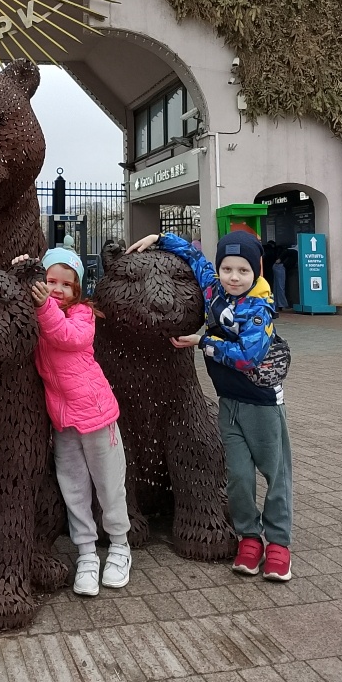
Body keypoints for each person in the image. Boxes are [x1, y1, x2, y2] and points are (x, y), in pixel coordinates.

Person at [126, 229, 293, 582]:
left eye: (243, 270)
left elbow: (248, 356)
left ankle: (279, 543)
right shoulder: (216, 291)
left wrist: (203, 342)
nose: (234, 277)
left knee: (275, 474)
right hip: (229, 403)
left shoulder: (259, 308)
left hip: (261, 405)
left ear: (256, 271)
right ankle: (249, 537)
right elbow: (195, 258)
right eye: (227, 269)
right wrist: (159, 238)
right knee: (239, 477)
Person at [12, 246, 131, 596]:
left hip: (96, 417)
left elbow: (68, 337)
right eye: (50, 281)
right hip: (63, 422)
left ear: (78, 288)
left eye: (67, 284)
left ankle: (120, 545)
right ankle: (87, 552)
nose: (58, 289)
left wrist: (43, 306)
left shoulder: (82, 314)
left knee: (109, 486)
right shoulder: (38, 312)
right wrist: (21, 269)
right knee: (74, 490)